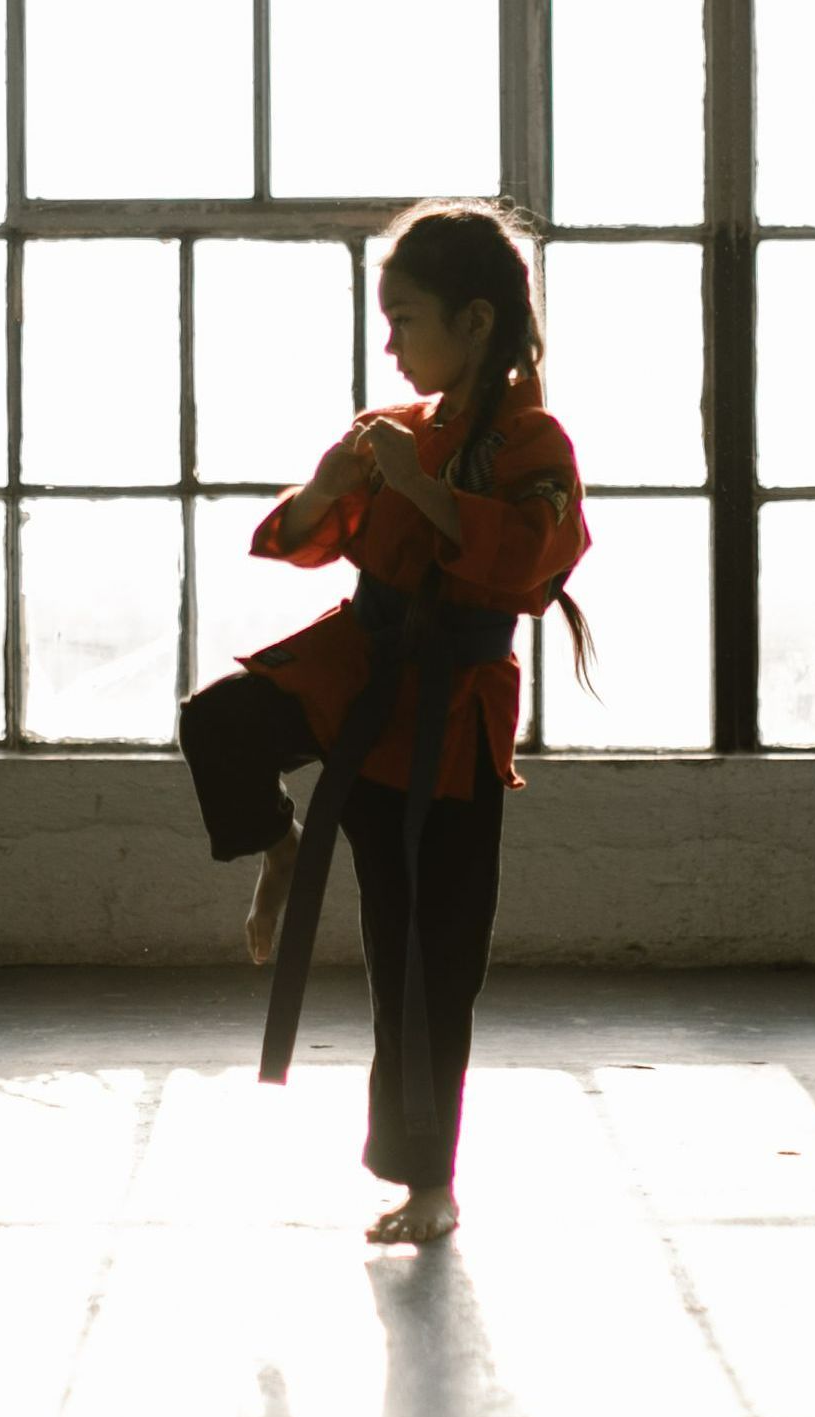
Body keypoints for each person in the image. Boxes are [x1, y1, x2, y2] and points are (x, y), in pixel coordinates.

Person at [177, 197, 595, 1246]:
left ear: (476, 322)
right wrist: (329, 485)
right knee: (218, 722)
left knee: (421, 957)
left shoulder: (535, 442)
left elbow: (537, 559)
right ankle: (276, 847)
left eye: (406, 317)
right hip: (356, 665)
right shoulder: (390, 432)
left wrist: (425, 488)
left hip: (446, 718)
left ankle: (428, 1182)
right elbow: (311, 538)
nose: (391, 341)